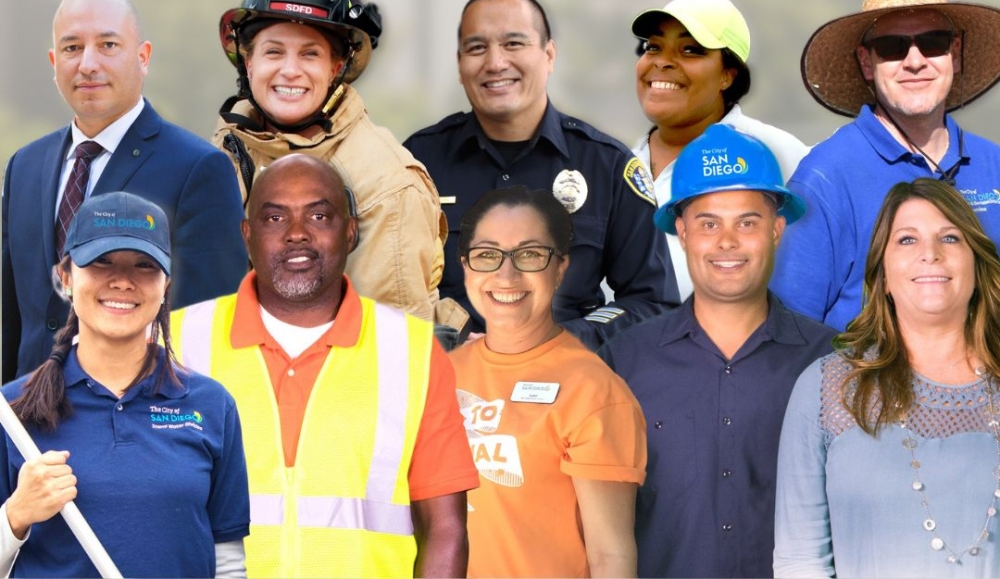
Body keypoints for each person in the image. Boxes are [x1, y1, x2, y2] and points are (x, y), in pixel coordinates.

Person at [171, 154, 478, 578]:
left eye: (318, 215)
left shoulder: (413, 353)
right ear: (247, 235)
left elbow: (445, 530)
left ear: (350, 232)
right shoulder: (176, 344)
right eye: (274, 218)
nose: (297, 234)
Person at [600, 125, 834, 578]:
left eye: (747, 222)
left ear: (777, 230)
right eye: (709, 223)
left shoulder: (830, 363)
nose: (727, 241)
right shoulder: (623, 362)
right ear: (683, 232)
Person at [213, 0, 465, 331]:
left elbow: (390, 356)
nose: (290, 70)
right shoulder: (221, 155)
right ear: (247, 62)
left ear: (336, 68)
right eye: (274, 51)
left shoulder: (388, 189)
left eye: (310, 53)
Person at [405, 0, 678, 349]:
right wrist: (446, 340)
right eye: (477, 48)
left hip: (569, 389)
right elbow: (388, 291)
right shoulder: (416, 163)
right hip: (447, 385)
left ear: (549, 55)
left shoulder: (606, 166)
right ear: (460, 65)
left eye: (514, 44)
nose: (495, 62)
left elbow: (653, 301)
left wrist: (570, 337)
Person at [2, 0, 248, 383]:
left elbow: (210, 332)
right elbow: (16, 323)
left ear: (143, 56)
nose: (87, 63)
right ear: (53, 61)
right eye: (71, 48)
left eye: (108, 45)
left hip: (139, 426)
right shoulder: (24, 167)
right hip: (29, 427)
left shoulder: (199, 169)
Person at [0, 192, 250, 577]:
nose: (122, 281)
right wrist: (16, 514)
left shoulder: (211, 405)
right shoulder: (11, 411)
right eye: (101, 262)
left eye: (144, 265)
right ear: (65, 277)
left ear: (166, 284)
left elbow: (228, 562)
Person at [775, 178, 1000, 578]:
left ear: (977, 264)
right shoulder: (826, 388)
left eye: (949, 238)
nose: (930, 254)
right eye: (907, 240)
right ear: (882, 276)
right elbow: (799, 563)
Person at [771, 0, 1000, 331]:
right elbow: (786, 336)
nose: (914, 60)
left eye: (932, 42)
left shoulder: (994, 164)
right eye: (892, 46)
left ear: (955, 53)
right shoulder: (824, 178)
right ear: (866, 62)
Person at [450, 185, 646, 578]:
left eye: (530, 255)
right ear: (465, 266)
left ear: (560, 268)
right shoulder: (438, 375)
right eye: (487, 255)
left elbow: (611, 559)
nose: (507, 275)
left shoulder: (593, 392)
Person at [631, 0, 808, 299]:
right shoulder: (618, 162)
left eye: (689, 50)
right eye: (653, 47)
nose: (662, 63)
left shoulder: (781, 154)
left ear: (727, 74)